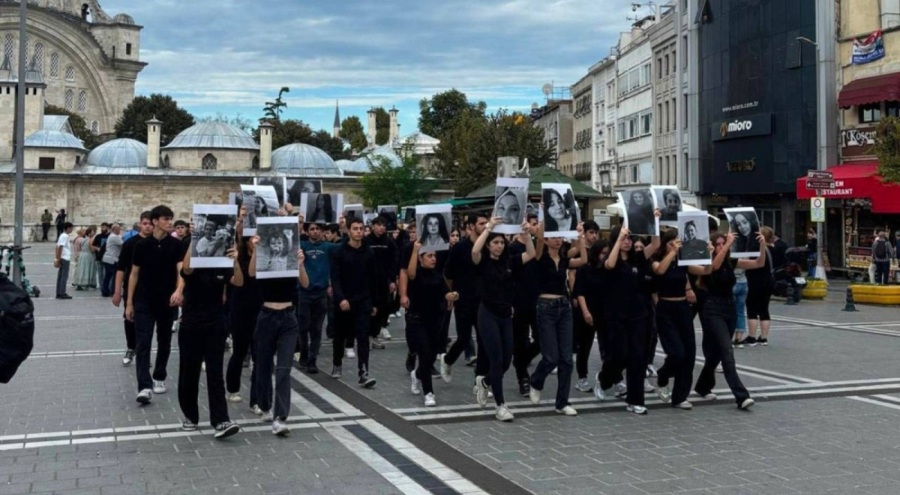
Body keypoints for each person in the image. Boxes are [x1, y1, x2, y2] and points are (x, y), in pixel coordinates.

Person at [175, 233, 243, 439]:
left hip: (215, 323)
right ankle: (190, 416)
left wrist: (236, 261)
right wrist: (194, 241)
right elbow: (186, 269)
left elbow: (238, 282)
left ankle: (221, 420)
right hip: (191, 323)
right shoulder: (194, 261)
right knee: (189, 372)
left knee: (215, 373)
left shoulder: (221, 263)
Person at [248, 219, 309, 435]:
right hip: (266, 316)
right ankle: (264, 405)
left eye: (278, 243)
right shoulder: (263, 260)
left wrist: (300, 264)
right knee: (263, 365)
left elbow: (305, 283)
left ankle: (280, 417)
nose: (276, 246)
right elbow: (251, 273)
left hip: (288, 318)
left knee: (284, 369)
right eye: (272, 243)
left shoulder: (291, 258)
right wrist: (256, 250)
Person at [471, 217, 535, 421]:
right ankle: (500, 405)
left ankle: (485, 381)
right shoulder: (483, 262)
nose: (499, 246)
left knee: (507, 359)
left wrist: (526, 234)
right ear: (489, 245)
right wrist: (488, 229)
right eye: (495, 242)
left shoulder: (510, 261)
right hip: (487, 313)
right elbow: (474, 251)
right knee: (496, 358)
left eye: (501, 242)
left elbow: (532, 254)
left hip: (506, 314)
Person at [694, 231, 765, 411]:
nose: (720, 247)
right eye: (717, 244)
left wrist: (762, 245)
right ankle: (741, 396)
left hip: (729, 308)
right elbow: (714, 267)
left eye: (722, 243)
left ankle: (702, 385)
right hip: (713, 308)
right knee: (727, 350)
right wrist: (726, 246)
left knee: (716, 354)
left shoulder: (730, 262)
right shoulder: (707, 261)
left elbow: (759, 263)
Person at [595, 223, 661, 415]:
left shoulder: (638, 259)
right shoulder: (611, 260)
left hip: (639, 314)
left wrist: (654, 221)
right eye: (623, 238)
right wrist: (618, 238)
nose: (627, 242)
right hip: (616, 316)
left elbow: (655, 244)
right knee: (619, 355)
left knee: (638, 358)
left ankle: (635, 400)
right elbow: (610, 265)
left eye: (629, 239)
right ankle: (605, 377)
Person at [126, 205, 184, 405]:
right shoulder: (141, 246)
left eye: (171, 218)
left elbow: (181, 270)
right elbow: (133, 274)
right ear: (155, 221)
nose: (170, 222)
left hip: (167, 301)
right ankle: (144, 385)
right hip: (143, 301)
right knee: (143, 342)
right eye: (166, 219)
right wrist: (129, 303)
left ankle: (159, 375)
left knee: (165, 340)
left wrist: (179, 291)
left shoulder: (176, 245)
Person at [528, 220, 586, 416]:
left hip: (564, 307)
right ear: (546, 240)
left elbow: (583, 260)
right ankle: (536, 380)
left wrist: (580, 236)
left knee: (567, 359)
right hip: (545, 307)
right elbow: (537, 243)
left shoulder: (564, 258)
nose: (558, 240)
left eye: (560, 237)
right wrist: (544, 217)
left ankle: (562, 402)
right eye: (554, 237)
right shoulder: (539, 256)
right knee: (551, 356)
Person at [651, 230, 711, 410]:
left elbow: (705, 271)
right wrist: (672, 253)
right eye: (671, 243)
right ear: (665, 244)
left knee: (690, 354)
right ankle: (663, 374)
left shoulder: (683, 262)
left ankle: (680, 396)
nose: (675, 246)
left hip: (683, 308)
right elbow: (660, 270)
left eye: (677, 243)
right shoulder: (656, 260)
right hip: (665, 309)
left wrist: (709, 254)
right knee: (677, 352)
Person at [406, 239, 458, 407]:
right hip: (417, 320)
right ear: (421, 259)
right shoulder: (417, 273)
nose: (433, 258)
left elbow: (445, 293)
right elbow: (410, 273)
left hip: (435, 321)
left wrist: (452, 295)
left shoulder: (437, 275)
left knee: (430, 357)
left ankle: (417, 374)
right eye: (429, 256)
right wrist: (415, 250)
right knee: (424, 353)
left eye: (434, 255)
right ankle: (428, 393)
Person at [330, 217, 380, 388]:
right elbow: (335, 278)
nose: (359, 231)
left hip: (363, 300)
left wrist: (374, 303)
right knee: (340, 335)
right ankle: (337, 362)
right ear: (349, 231)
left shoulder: (368, 252)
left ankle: (363, 372)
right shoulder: (339, 251)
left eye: (361, 228)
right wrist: (341, 298)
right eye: (355, 228)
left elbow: (374, 278)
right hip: (344, 300)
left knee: (363, 337)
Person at [297, 221, 338, 374]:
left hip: (320, 294)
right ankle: (304, 353)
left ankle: (312, 359)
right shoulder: (302, 246)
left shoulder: (327, 247)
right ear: (307, 232)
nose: (315, 231)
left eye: (318, 229)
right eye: (312, 229)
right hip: (304, 293)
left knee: (316, 328)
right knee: (303, 327)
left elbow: (345, 246)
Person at [113, 213, 153, 366]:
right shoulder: (130, 243)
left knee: (146, 324)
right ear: (140, 224)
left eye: (150, 223)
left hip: (150, 290)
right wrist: (117, 291)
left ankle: (144, 353)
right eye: (145, 223)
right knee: (129, 319)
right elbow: (121, 269)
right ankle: (131, 347)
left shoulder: (156, 243)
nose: (148, 226)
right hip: (131, 289)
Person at [510, 214, 542, 396]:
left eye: (537, 224)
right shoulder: (513, 248)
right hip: (518, 301)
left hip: (536, 300)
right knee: (520, 342)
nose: (534, 226)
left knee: (541, 341)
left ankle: (520, 361)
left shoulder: (538, 247)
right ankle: (522, 378)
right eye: (533, 223)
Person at [365, 217, 398, 351]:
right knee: (369, 309)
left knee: (383, 308)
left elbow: (394, 261)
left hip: (384, 282)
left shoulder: (389, 242)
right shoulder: (366, 241)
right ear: (372, 226)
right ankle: (365, 336)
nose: (382, 227)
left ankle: (375, 336)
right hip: (368, 282)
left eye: (384, 225)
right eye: (379, 225)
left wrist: (392, 280)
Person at [745, 227, 775, 346]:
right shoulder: (774, 248)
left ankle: (751, 337)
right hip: (769, 282)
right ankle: (764, 338)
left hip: (755, 281)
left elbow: (751, 264)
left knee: (751, 309)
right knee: (764, 309)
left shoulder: (756, 249)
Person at [54, 222, 74, 299]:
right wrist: (58, 259)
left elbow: (57, 247)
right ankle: (62, 292)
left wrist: (57, 258)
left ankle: (59, 292)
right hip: (65, 258)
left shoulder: (62, 235)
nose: (72, 229)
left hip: (62, 257)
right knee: (64, 276)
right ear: (68, 228)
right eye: (71, 228)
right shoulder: (65, 236)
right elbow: (60, 247)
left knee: (60, 276)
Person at [101, 224, 123, 298]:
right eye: (119, 229)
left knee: (107, 276)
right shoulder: (114, 237)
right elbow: (124, 244)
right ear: (115, 230)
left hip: (107, 258)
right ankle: (114, 291)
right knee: (115, 276)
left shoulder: (111, 236)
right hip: (112, 259)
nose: (120, 231)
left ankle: (105, 291)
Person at [73, 225, 97, 291]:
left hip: (82, 255)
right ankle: (86, 283)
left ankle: (80, 283)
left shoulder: (83, 239)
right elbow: (92, 249)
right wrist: (97, 249)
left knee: (82, 269)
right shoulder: (91, 239)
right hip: (88, 255)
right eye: (93, 232)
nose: (94, 233)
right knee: (87, 269)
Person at [92, 223, 111, 295]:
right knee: (100, 274)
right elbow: (93, 245)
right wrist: (97, 248)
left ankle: (107, 288)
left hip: (107, 257)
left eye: (104, 227)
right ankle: (102, 288)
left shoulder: (110, 236)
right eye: (102, 227)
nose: (102, 229)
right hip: (99, 257)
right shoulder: (98, 236)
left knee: (106, 273)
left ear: (107, 228)